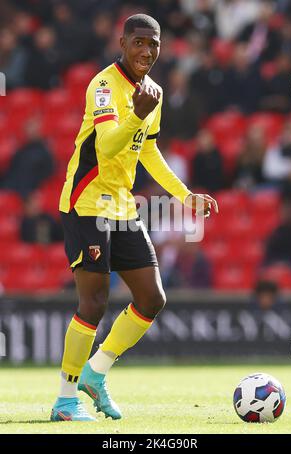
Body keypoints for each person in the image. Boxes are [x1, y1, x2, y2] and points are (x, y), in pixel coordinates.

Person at [51, 13, 218, 422]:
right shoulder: (104, 85)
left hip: (121, 204)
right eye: (139, 42)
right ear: (122, 43)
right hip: (86, 201)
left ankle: (96, 372)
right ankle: (65, 400)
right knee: (93, 302)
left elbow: (147, 151)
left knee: (152, 297)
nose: (147, 51)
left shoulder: (153, 92)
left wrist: (184, 196)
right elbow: (107, 147)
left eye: (154, 44)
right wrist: (137, 115)